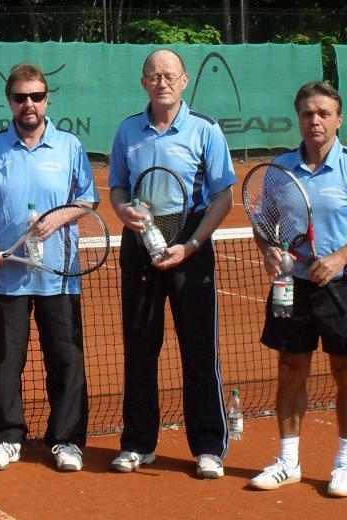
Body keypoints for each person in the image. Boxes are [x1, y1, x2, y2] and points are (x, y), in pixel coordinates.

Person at [249, 81, 347, 497]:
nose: (315, 120)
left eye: (324, 113)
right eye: (308, 113)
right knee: (290, 369)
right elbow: (264, 223)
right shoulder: (280, 169)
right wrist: (268, 250)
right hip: (292, 285)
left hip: (343, 287)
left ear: (338, 120)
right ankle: (288, 462)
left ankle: (344, 465)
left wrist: (340, 257)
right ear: (299, 118)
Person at [108, 48, 235, 478]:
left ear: (184, 81)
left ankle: (209, 447)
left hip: (190, 241)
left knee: (199, 350)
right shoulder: (128, 130)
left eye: (169, 75)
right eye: (154, 75)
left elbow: (223, 196)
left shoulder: (205, 129)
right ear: (143, 83)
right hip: (140, 240)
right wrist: (123, 211)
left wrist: (193, 245)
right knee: (140, 349)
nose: (161, 81)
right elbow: (118, 187)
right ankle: (137, 444)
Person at [0, 63, 98, 472]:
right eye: (21, 97)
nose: (29, 104)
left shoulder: (70, 146)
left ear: (47, 100)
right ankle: (5, 437)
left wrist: (59, 218)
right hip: (5, 276)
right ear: (10, 101)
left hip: (59, 276)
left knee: (65, 359)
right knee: (7, 361)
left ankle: (67, 440)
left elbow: (87, 199)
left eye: (37, 96)